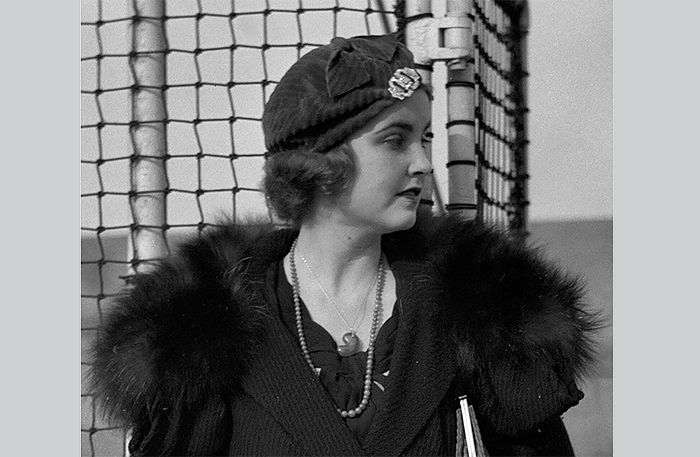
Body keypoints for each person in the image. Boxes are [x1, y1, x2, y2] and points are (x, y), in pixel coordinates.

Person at [90, 34, 599, 456]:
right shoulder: (203, 335)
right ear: (320, 159)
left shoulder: (481, 314)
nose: (423, 163)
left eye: (425, 138)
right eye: (395, 140)